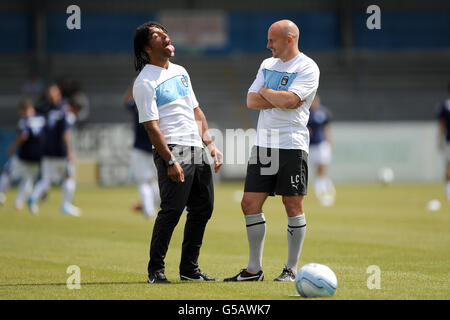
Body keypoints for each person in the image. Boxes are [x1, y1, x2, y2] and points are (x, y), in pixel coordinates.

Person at [224, 20, 319, 282]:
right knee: (249, 204)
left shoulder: (307, 67)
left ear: (289, 39)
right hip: (264, 145)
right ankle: (254, 270)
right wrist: (276, 96)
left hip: (291, 145)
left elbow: (292, 101)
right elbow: (250, 100)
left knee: (292, 204)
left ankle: (290, 269)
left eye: (272, 40)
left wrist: (267, 91)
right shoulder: (267, 65)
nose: (267, 45)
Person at [132, 21, 223, 283]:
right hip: (173, 149)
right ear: (148, 48)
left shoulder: (181, 71)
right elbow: (151, 127)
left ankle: (189, 270)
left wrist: (211, 145)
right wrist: (170, 160)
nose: (166, 37)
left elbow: (196, 112)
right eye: (158, 35)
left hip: (196, 148)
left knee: (203, 209)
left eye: (165, 33)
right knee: (172, 211)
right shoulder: (145, 82)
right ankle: (156, 271)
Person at [27, 84, 80, 216]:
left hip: (47, 151)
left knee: (45, 179)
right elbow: (65, 134)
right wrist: (69, 150)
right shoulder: (64, 112)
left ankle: (33, 199)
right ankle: (66, 205)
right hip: (60, 152)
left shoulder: (44, 109)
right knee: (69, 177)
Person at [123, 79, 160, 219]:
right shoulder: (156, 104)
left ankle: (149, 212)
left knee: (144, 182)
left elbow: (126, 102)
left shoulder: (138, 104)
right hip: (156, 146)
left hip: (140, 148)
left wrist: (133, 86)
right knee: (157, 181)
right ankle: (153, 208)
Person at [0, 98, 45, 211]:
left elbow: (23, 135)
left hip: (24, 154)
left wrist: (13, 146)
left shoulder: (25, 120)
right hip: (38, 156)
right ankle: (19, 203)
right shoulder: (42, 119)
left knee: (7, 172)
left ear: (25, 109)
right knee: (28, 179)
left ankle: (0, 193)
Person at [307, 94, 336, 206]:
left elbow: (327, 127)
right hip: (311, 145)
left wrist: (330, 140)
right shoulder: (306, 113)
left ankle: (322, 189)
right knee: (318, 169)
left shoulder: (323, 112)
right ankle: (322, 188)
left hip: (322, 144)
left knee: (322, 167)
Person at [437, 83, 450, 201]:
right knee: (448, 167)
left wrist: (439, 140)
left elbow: (441, 125)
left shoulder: (445, 105)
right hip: (449, 140)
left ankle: (448, 193)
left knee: (448, 167)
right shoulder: (445, 105)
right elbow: (441, 124)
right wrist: (440, 140)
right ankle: (448, 193)